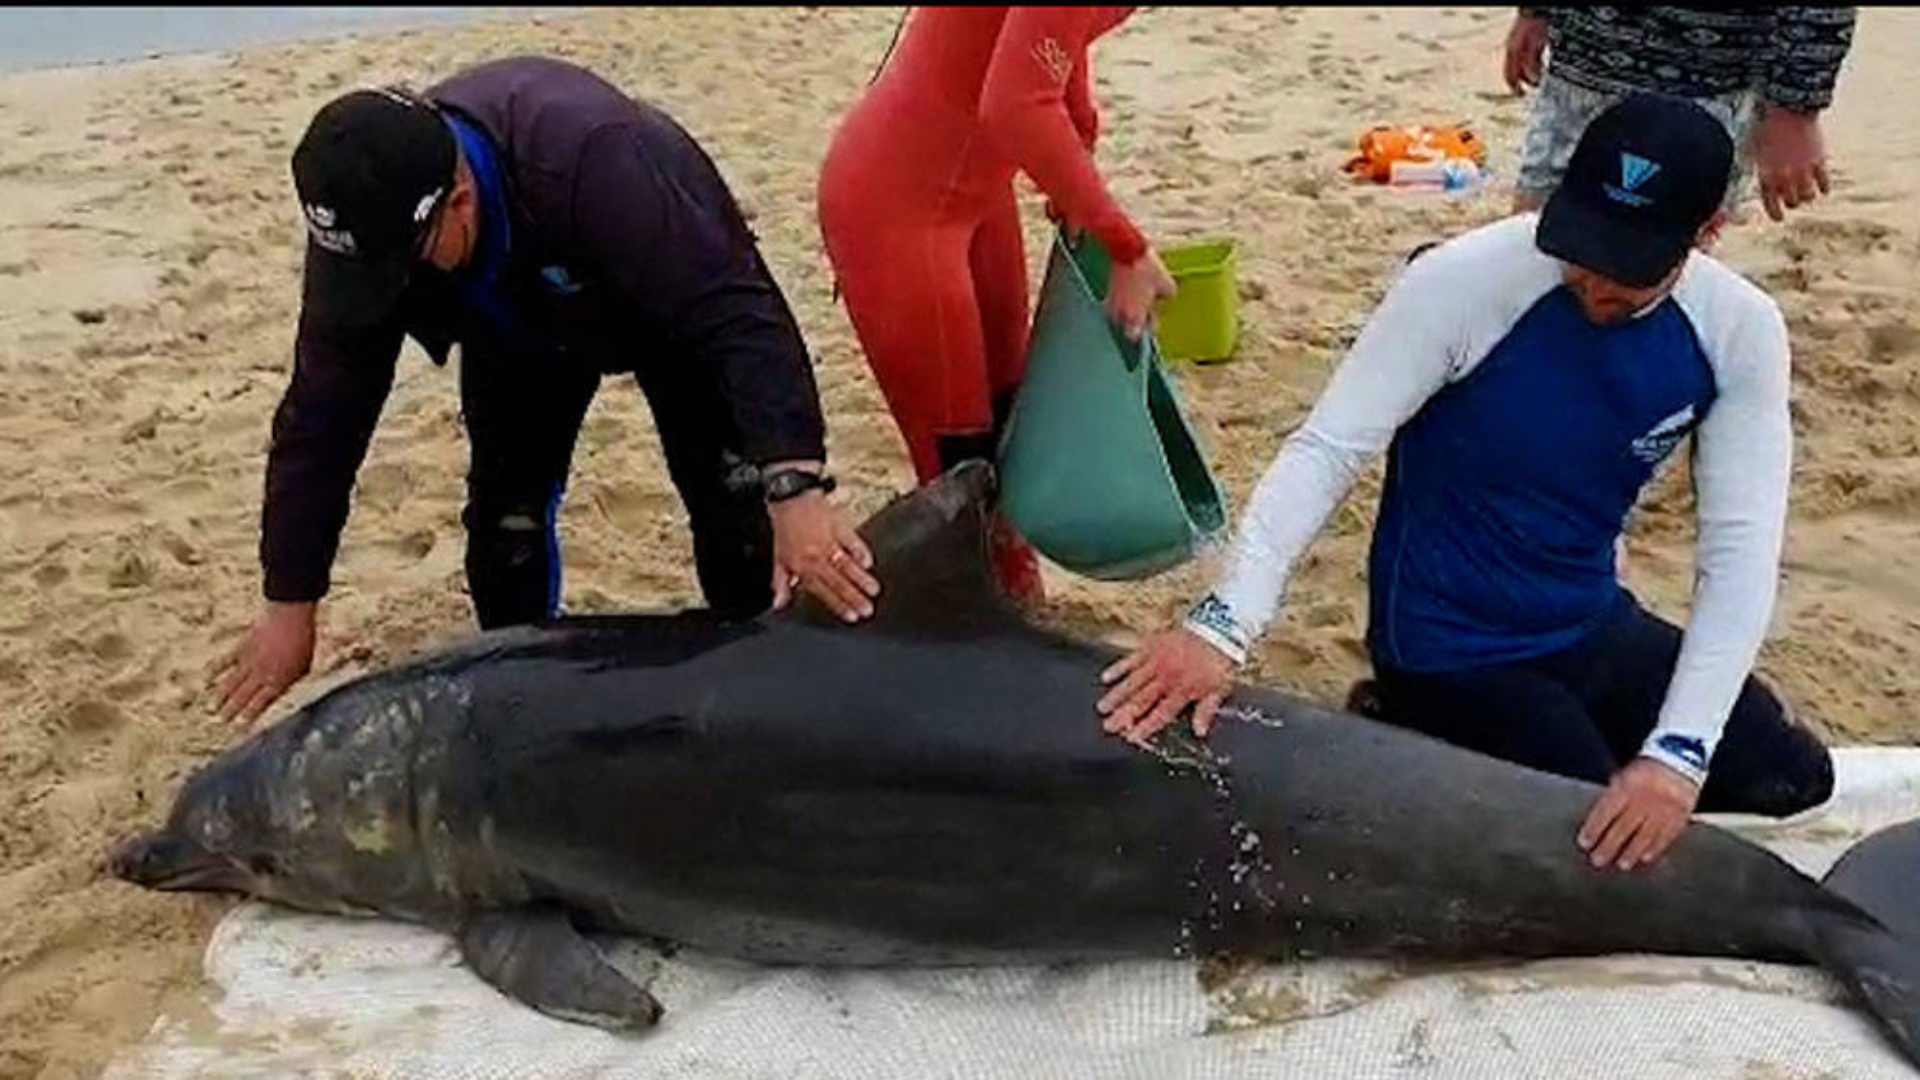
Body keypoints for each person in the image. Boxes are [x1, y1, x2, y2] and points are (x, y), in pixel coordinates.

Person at [1096, 94, 1835, 875]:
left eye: (1627, 272)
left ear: (1706, 235)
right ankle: (1422, 723)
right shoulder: (1463, 281)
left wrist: (1676, 758)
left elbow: (1741, 547)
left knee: (1791, 777)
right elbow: (1327, 448)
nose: (1593, 284)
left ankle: (1516, 753)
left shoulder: (1739, 331)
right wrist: (1223, 626)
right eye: (1583, 251)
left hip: (1586, 623)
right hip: (1449, 648)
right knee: (1587, 842)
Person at [213, 56, 880, 724]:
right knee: (506, 532)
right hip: (518, 326)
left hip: (663, 302)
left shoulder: (595, 158)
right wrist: (289, 604)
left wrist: (795, 487)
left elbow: (738, 316)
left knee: (736, 514)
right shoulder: (369, 224)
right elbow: (321, 418)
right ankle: (528, 718)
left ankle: (765, 703)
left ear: (460, 201)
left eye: (401, 267)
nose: (389, 290)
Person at [817, 6, 1177, 603]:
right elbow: (1015, 102)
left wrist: (1079, 146)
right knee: (962, 472)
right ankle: (976, 627)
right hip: (896, 204)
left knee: (1014, 426)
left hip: (978, 192)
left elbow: (1052, 38)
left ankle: (1013, 608)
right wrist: (1125, 246)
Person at [1504, 7, 1857, 223]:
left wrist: (1795, 109)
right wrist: (1534, 12)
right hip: (1581, 62)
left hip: (1709, 82)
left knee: (1661, 254)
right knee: (1538, 235)